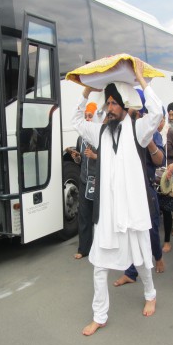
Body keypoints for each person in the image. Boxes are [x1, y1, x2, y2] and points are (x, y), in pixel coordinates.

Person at [71, 60, 163, 336]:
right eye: (108, 103)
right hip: (108, 214)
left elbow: (156, 113)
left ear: (125, 105)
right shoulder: (99, 131)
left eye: (114, 103)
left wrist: (141, 80)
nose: (110, 108)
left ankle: (150, 294)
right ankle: (99, 316)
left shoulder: (138, 129)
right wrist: (87, 92)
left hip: (132, 211)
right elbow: (76, 121)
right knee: (99, 266)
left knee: (142, 260)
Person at [113, 90, 166, 285]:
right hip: (127, 190)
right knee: (129, 231)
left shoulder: (151, 131)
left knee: (150, 230)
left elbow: (160, 161)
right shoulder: (120, 131)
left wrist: (148, 140)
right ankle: (130, 272)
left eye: (130, 105)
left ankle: (157, 256)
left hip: (146, 189)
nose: (127, 109)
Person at [72, 102, 98, 259]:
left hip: (97, 182)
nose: (87, 119)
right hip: (84, 180)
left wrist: (95, 156)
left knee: (98, 217)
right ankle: (83, 249)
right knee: (83, 215)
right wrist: (77, 157)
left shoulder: (100, 136)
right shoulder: (80, 138)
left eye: (90, 116)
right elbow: (81, 160)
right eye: (86, 116)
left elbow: (111, 159)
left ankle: (99, 248)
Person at [157, 113, 173, 253]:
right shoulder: (151, 133)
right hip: (155, 176)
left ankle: (167, 241)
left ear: (163, 119)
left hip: (168, 176)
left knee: (166, 211)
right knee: (154, 210)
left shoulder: (171, 133)